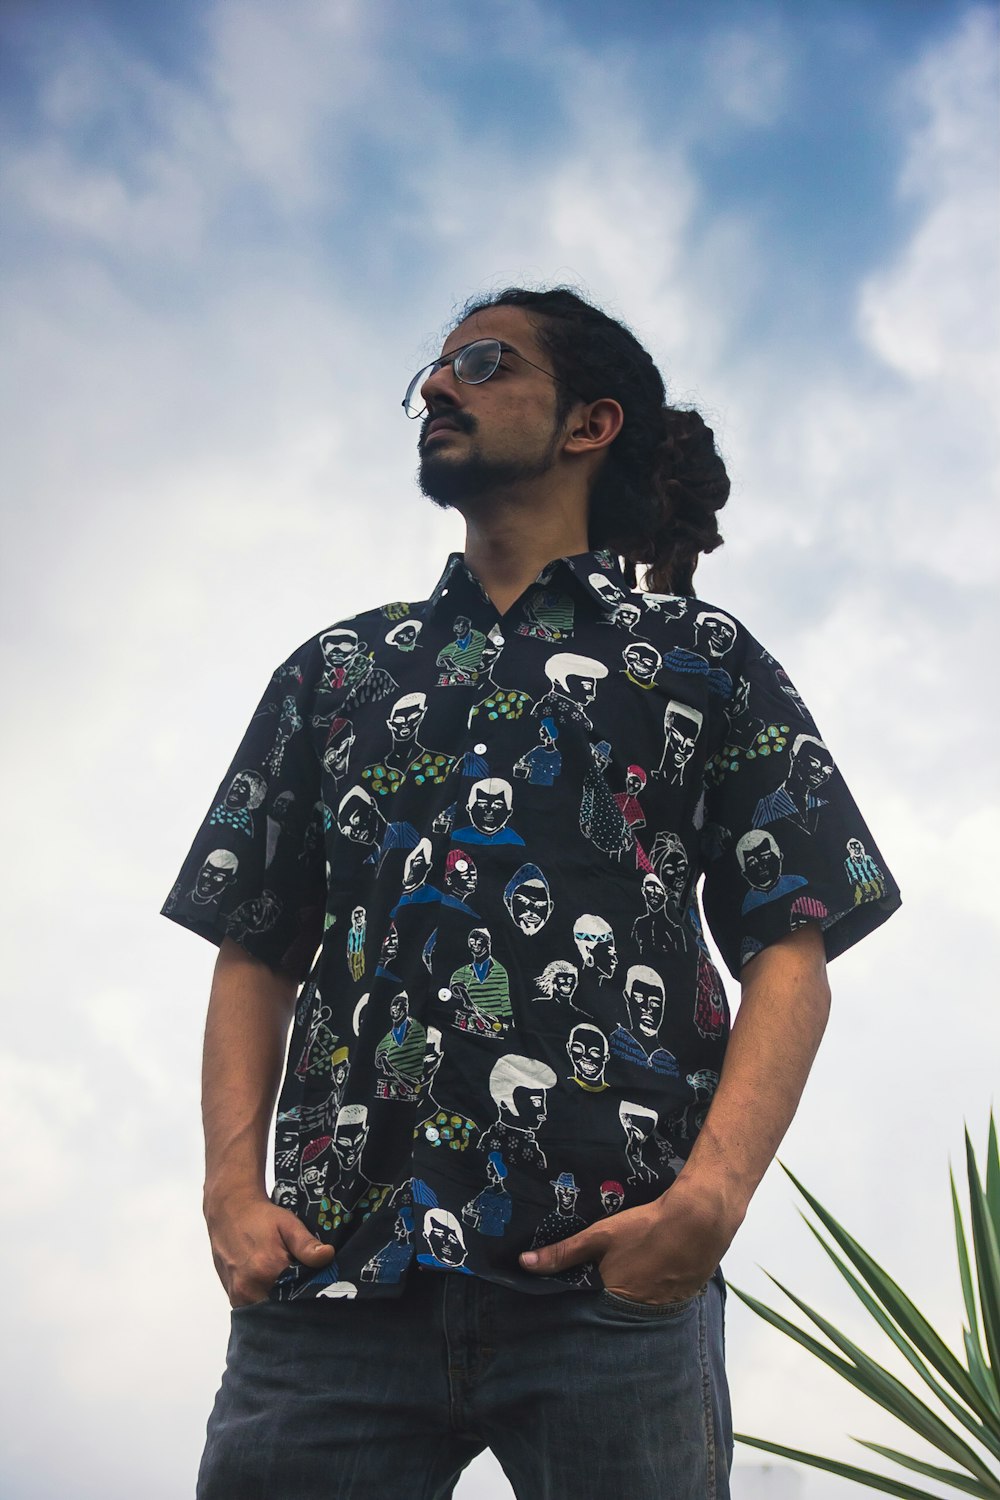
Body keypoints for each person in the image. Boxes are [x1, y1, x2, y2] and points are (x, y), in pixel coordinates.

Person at [163, 286, 900, 1499]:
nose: (436, 389)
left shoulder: (700, 661)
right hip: (332, 1286)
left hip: (611, 1289)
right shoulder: (340, 670)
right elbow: (253, 946)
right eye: (432, 374)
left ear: (588, 422)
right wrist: (230, 1196)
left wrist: (708, 1202)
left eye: (481, 363)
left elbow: (793, 940)